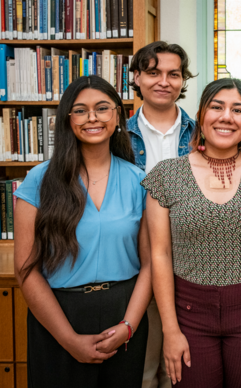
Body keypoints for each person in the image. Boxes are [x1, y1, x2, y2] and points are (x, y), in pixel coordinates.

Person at [142, 78, 241, 388]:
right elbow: (160, 253)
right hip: (188, 313)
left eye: (238, 110)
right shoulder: (166, 176)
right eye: (216, 107)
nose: (226, 116)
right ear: (200, 115)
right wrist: (170, 330)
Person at [13, 75, 151, 387]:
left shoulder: (138, 180)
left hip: (124, 313)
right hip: (59, 315)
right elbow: (26, 269)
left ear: (117, 115)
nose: (92, 118)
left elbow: (151, 264)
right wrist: (69, 339)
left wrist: (128, 326)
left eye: (102, 108)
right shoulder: (39, 180)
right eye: (80, 110)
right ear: (67, 119)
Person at [127, 40, 196, 388]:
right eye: (153, 72)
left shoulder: (204, 134)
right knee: (142, 371)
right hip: (132, 266)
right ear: (136, 77)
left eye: (173, 74)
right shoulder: (115, 135)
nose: (163, 81)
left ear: (183, 81)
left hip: (191, 266)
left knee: (183, 373)